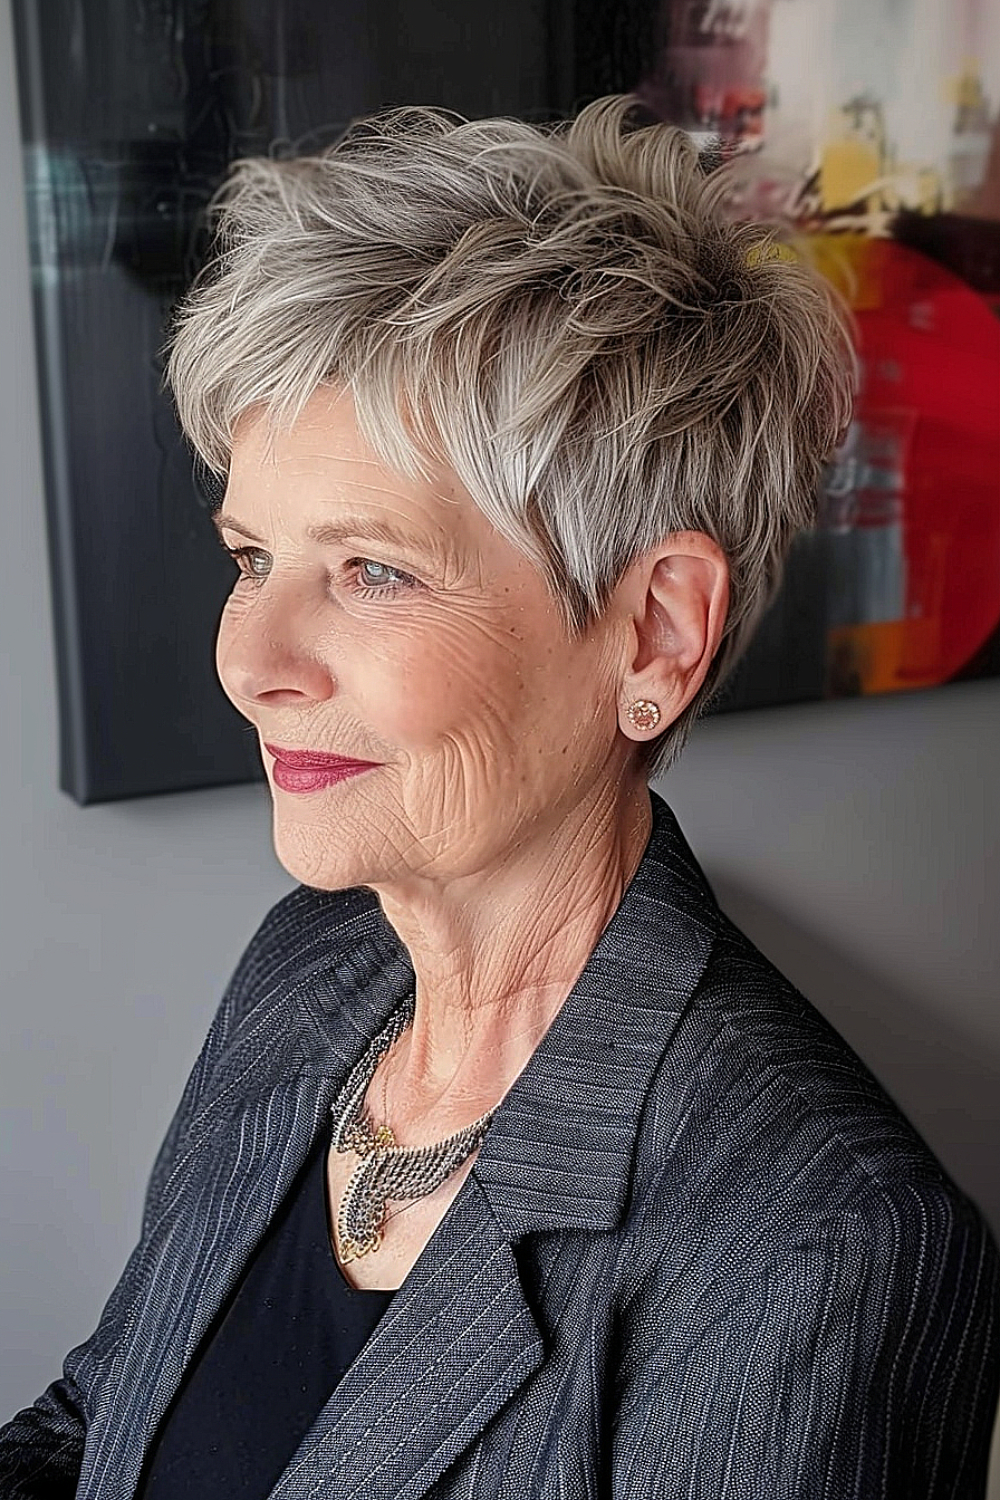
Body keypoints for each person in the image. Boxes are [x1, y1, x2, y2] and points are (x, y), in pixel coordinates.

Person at [2, 94, 997, 1500]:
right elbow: (104, 1418)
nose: (253, 663)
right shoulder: (314, 967)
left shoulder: (819, 1249)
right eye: (249, 558)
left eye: (372, 571)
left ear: (655, 633)